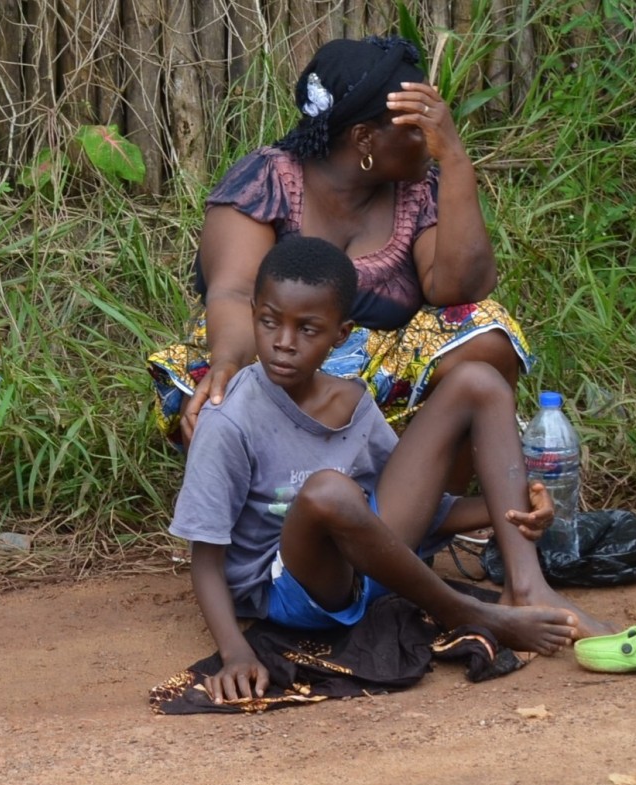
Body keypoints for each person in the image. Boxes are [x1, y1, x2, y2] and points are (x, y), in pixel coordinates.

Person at [169, 238, 610, 705]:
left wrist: (509, 509)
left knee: (479, 380)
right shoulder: (229, 419)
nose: (283, 342)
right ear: (253, 312)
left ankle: (526, 587)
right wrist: (235, 650)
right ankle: (464, 610)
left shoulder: (354, 402)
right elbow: (207, 555)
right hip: (293, 592)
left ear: (341, 334)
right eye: (269, 321)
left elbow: (400, 513)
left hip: (374, 567)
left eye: (308, 329)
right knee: (328, 492)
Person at [150, 35, 530, 480]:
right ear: (364, 138)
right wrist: (229, 365)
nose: (430, 140)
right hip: (273, 364)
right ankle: (282, 492)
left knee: (487, 333)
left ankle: (416, 509)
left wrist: (457, 161)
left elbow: (460, 289)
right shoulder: (268, 181)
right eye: (416, 128)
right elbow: (234, 292)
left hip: (375, 386)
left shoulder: (418, 191)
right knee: (232, 386)